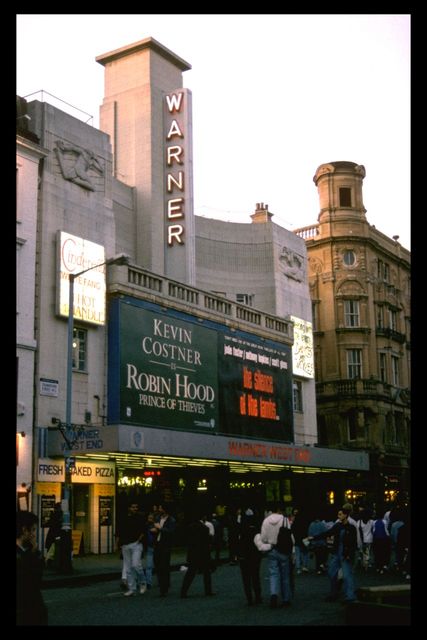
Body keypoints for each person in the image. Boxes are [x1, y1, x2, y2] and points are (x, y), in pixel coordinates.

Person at [307, 505, 357, 603]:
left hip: (343, 553)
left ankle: (348, 595)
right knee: (333, 573)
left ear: (345, 515)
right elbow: (328, 533)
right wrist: (314, 537)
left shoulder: (350, 527)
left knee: (346, 575)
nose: (338, 516)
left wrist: (350, 554)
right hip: (339, 552)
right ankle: (339, 593)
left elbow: (353, 543)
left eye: (340, 514)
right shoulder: (341, 526)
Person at [17, 511, 48, 625]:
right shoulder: (23, 555)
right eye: (33, 529)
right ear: (25, 530)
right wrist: (35, 553)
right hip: (26, 612)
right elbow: (34, 581)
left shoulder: (26, 551)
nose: (34, 534)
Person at [260, 503, 294, 608]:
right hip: (283, 550)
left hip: (272, 549)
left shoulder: (265, 521)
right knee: (285, 575)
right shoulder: (284, 520)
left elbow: (263, 538)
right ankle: (286, 599)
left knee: (273, 574)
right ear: (279, 510)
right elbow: (290, 536)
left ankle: (274, 594)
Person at [180, 514, 216, 598]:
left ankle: (183, 591)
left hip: (193, 553)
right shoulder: (205, 528)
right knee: (206, 573)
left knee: (190, 573)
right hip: (203, 553)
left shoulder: (190, 527)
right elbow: (208, 541)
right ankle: (208, 591)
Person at [116, 503, 147, 597]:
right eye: (133, 507)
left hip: (136, 544)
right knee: (128, 568)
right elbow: (118, 532)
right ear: (129, 508)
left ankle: (142, 582)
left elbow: (143, 531)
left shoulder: (140, 518)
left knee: (136, 565)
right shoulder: (123, 518)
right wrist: (117, 544)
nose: (135, 509)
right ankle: (132, 589)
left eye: (136, 507)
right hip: (125, 545)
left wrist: (138, 540)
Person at [237, 508, 263, 606]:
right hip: (255, 555)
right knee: (255, 576)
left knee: (246, 578)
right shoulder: (256, 529)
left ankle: (249, 598)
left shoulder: (241, 529)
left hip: (244, 556)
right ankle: (258, 596)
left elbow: (238, 542)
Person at [153, 504, 176, 596]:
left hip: (165, 545)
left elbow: (171, 532)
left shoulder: (171, 520)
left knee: (164, 566)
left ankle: (164, 588)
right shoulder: (158, 518)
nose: (159, 509)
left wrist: (160, 528)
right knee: (157, 565)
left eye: (160, 508)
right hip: (157, 544)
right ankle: (162, 584)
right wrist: (155, 530)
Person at [45, 502, 62, 566]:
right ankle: (52, 562)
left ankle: (49, 562)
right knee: (54, 549)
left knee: (51, 550)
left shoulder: (53, 514)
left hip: (52, 535)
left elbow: (49, 523)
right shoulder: (59, 515)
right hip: (56, 535)